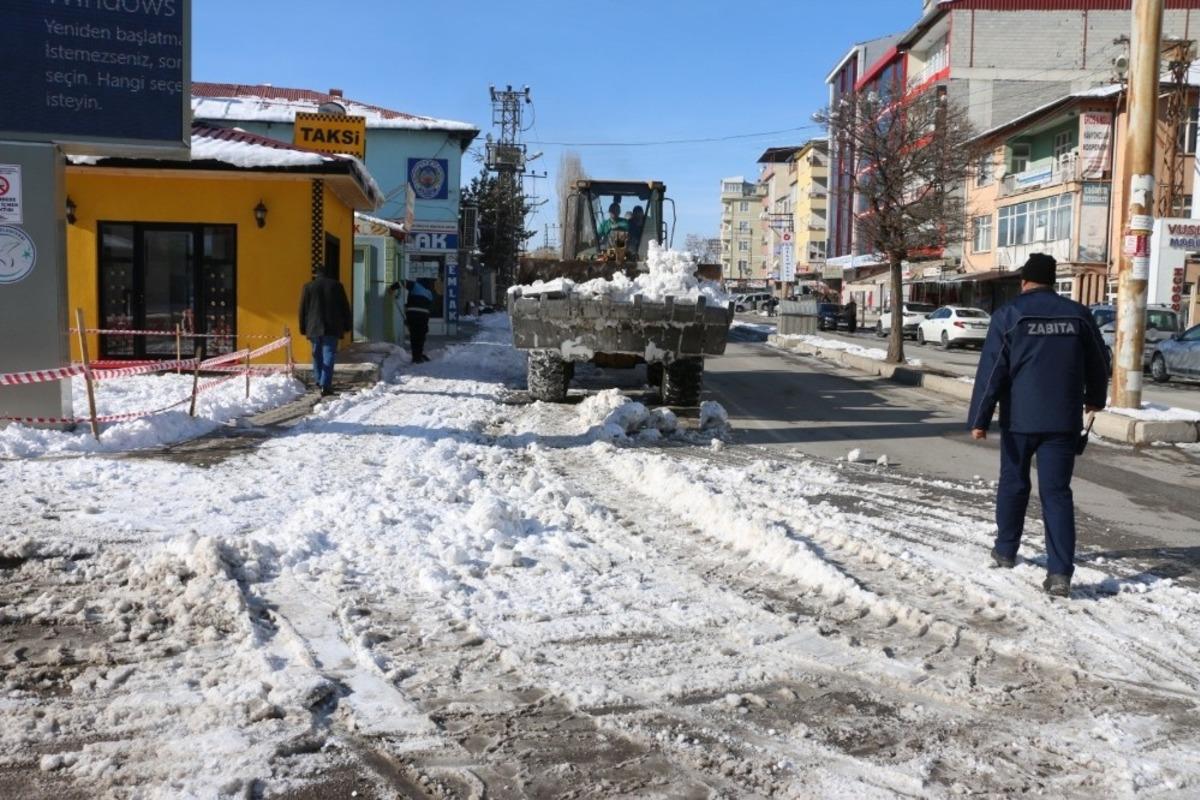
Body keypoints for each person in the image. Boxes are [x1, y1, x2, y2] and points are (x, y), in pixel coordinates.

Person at [968, 253, 1109, 598]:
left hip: (1019, 421)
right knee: (1057, 494)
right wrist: (1096, 398)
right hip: (1062, 420)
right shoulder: (1079, 315)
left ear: (1025, 281)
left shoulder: (1009, 315)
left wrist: (979, 419)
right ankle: (1059, 574)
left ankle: (1005, 551)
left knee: (1014, 484)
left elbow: (993, 371)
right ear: (1052, 280)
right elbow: (1099, 360)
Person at [298, 267, 352, 397]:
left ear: (316, 275)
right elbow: (345, 306)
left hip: (314, 327)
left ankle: (319, 380)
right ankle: (325, 384)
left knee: (316, 354)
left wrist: (303, 327)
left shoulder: (308, 287)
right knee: (329, 354)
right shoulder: (337, 286)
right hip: (332, 327)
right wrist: (347, 325)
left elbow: (302, 309)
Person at [403, 279, 434, 363]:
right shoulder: (430, 294)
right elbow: (428, 308)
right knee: (421, 337)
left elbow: (402, 282)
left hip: (413, 315)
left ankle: (415, 357)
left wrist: (391, 289)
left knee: (414, 336)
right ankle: (418, 356)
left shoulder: (415, 285)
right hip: (423, 317)